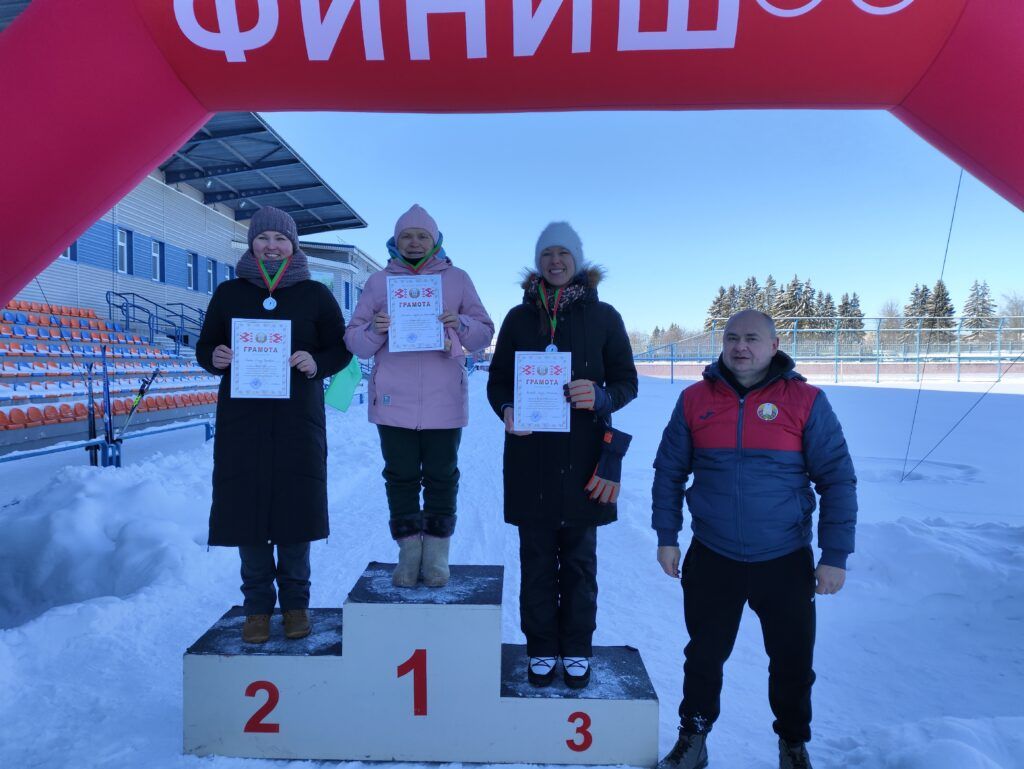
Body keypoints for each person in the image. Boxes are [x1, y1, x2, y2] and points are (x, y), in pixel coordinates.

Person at [651, 309, 857, 769]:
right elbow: (669, 472)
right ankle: (693, 740)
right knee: (703, 657)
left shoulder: (806, 401)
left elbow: (837, 479)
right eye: (731, 338)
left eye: (751, 338)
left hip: (783, 558)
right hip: (713, 554)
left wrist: (834, 555)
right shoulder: (693, 400)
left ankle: (793, 746)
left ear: (774, 345)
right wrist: (667, 536)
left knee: (792, 662)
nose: (740, 347)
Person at [486, 222, 638, 689]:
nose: (555, 261)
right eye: (547, 254)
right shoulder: (517, 318)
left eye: (563, 254)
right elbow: (497, 381)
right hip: (530, 457)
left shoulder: (605, 316)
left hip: (584, 459)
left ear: (577, 261)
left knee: (579, 562)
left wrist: (601, 395)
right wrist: (507, 409)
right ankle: (540, 647)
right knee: (535, 560)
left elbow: (627, 382)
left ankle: (576, 647)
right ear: (538, 262)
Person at [196, 206, 352, 644]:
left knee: (295, 506)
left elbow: (340, 350)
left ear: (293, 245)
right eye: (263, 238)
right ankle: (257, 607)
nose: (271, 246)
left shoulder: (315, 294)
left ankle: (297, 604)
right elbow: (205, 345)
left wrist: (316, 362)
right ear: (252, 244)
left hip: (297, 417)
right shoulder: (229, 292)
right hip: (242, 419)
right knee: (246, 507)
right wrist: (215, 357)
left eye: (280, 239)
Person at [345, 204, 493, 588]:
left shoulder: (457, 279)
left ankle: (437, 554)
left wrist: (459, 324)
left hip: (444, 400)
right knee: (400, 477)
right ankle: (409, 553)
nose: (414, 243)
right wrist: (376, 329)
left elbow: (483, 333)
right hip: (393, 400)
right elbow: (355, 341)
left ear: (435, 240)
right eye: (406, 236)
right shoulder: (379, 283)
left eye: (422, 236)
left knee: (443, 476)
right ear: (395, 241)